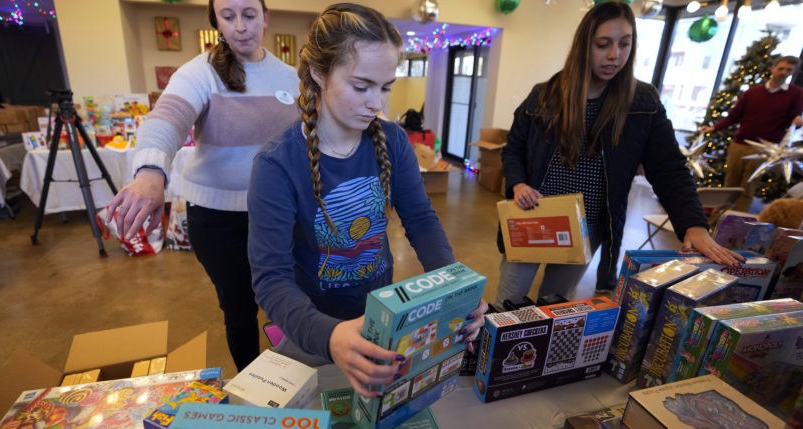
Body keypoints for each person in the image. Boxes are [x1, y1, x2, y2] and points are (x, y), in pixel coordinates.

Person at [247, 3, 488, 397]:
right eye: (361, 86)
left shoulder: (392, 141)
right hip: (311, 330)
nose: (377, 103)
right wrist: (329, 336)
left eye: (385, 87)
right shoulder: (277, 164)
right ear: (318, 73)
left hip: (381, 321)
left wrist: (452, 289)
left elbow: (422, 221)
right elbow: (271, 279)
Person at [495, 1, 743, 309]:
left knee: (553, 308)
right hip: (533, 219)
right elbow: (514, 149)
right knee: (506, 305)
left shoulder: (642, 101)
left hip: (587, 226)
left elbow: (669, 167)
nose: (614, 55)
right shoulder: (544, 96)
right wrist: (518, 183)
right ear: (584, 46)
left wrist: (693, 224)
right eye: (603, 44)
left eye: (624, 44)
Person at [106, 0, 300, 372]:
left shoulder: (290, 77)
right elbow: (168, 118)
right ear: (217, 23)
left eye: (249, 15)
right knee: (240, 308)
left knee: (288, 299)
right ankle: (253, 386)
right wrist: (150, 172)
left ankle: (294, 377)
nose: (240, 26)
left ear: (266, 17)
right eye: (228, 17)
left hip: (280, 214)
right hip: (219, 219)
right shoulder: (199, 74)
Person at [700, 56, 803, 212]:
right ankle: (717, 220)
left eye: (788, 70)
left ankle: (735, 225)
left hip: (765, 150)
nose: (783, 73)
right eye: (781, 68)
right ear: (773, 68)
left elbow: (794, 118)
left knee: (747, 189)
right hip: (740, 144)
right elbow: (734, 116)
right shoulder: (753, 92)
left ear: (793, 72)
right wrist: (714, 128)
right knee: (729, 185)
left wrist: (798, 121)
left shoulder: (796, 94)